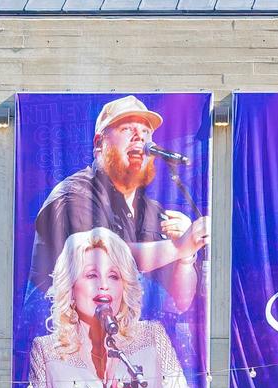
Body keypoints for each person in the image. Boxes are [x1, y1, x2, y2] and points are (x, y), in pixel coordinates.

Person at [29, 95, 208, 365]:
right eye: (127, 129)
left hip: (123, 351)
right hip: (62, 351)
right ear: (99, 144)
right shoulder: (74, 194)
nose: (140, 138)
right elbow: (108, 257)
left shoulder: (152, 211)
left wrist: (185, 258)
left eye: (146, 132)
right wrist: (181, 245)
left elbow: (181, 301)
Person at [23, 227, 200, 388]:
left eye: (114, 276)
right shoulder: (47, 351)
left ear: (125, 286)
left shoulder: (152, 336)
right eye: (91, 275)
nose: (104, 285)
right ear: (71, 287)